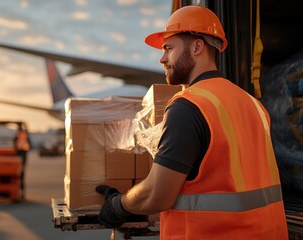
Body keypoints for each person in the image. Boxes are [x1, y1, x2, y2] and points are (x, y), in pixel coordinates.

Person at [95, 5, 288, 239]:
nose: (162, 58)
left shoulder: (189, 106)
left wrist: (118, 205)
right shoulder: (254, 104)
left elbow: (158, 194)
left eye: (169, 48)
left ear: (197, 47)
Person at [14, 123, 31, 199]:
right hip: (22, 155)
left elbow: (14, 144)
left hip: (20, 154)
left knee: (19, 174)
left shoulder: (18, 135)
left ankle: (20, 192)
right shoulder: (25, 135)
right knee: (21, 174)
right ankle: (21, 192)